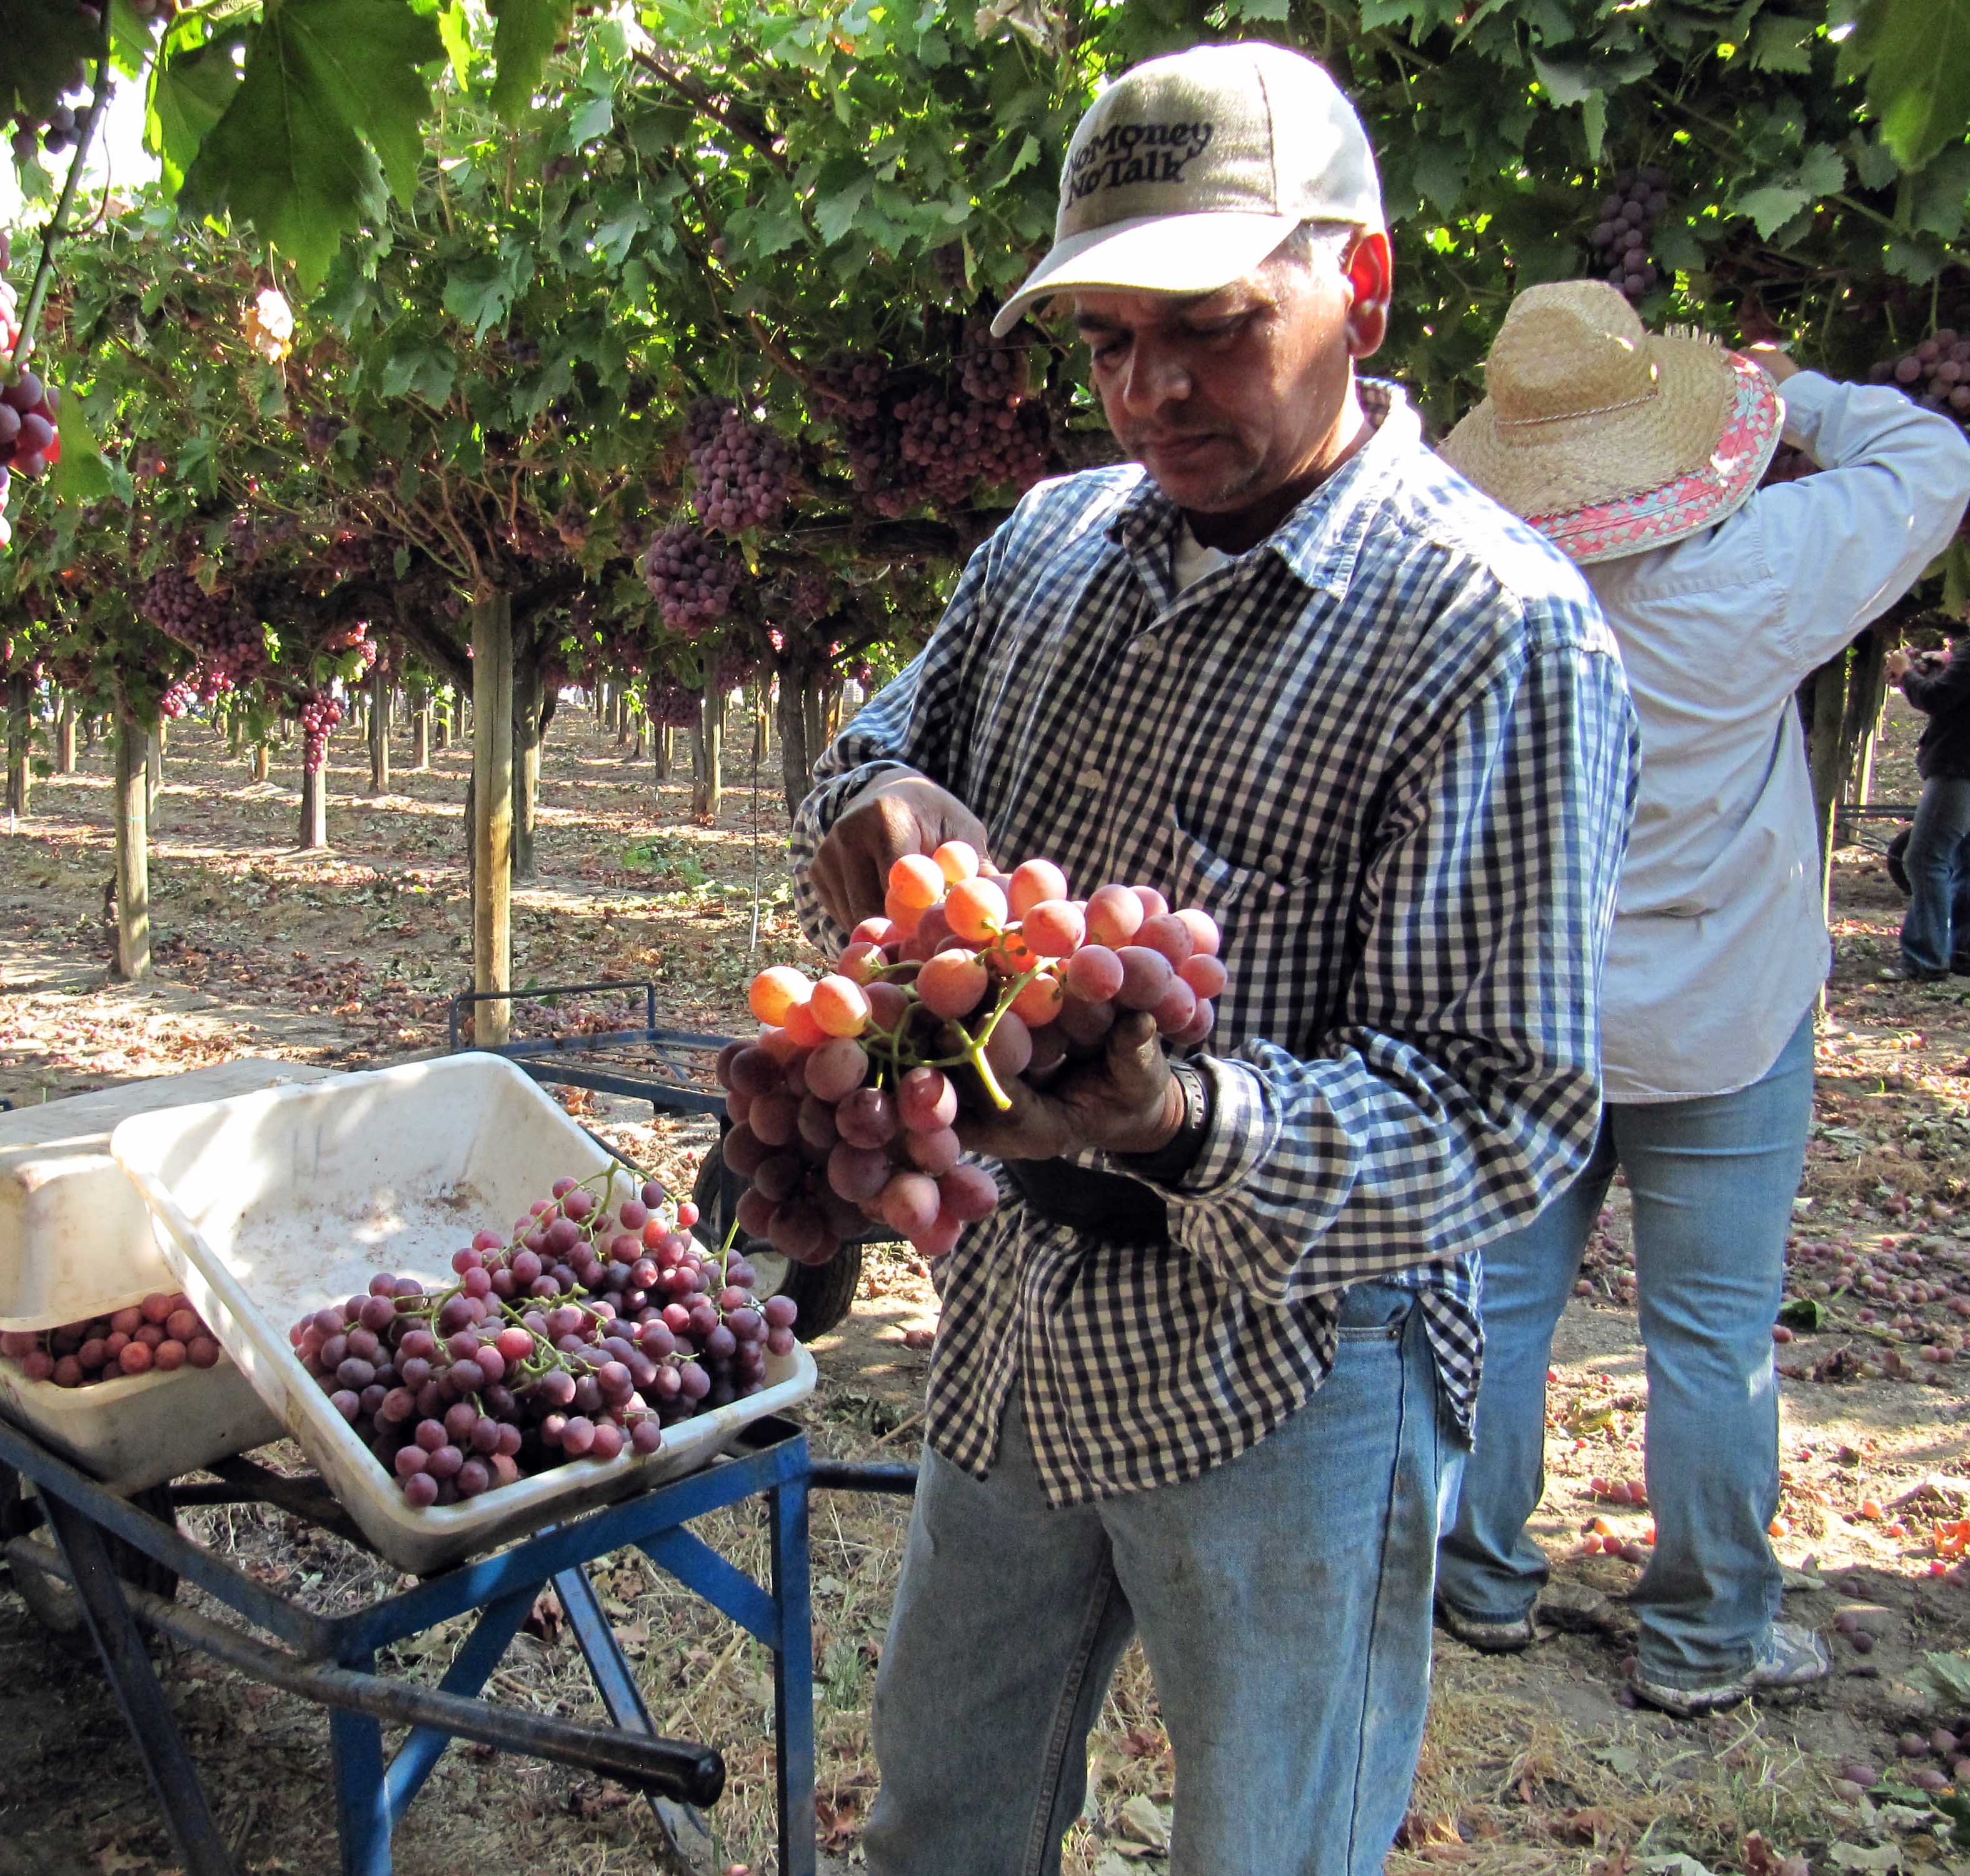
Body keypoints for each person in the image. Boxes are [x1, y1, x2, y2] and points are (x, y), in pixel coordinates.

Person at [789, 42, 1639, 1876]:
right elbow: (868, 749)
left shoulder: (1493, 634)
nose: (1150, 390)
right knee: (941, 1805)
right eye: (1105, 340)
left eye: (1211, 324)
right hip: (1014, 1319)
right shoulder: (1044, 545)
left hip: (1289, 1368)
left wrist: (1176, 1122)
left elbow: (1500, 1118)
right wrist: (873, 808)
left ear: (1366, 283)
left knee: (1266, 1844)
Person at [1432, 286, 1970, 1715]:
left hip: (1527, 1017)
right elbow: (1930, 464)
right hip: (1725, 1017)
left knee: (1494, 1308)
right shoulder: (1758, 573)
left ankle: (1475, 1583)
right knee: (1712, 1337)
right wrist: (1794, 397)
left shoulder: (1478, 598)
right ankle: (1703, 1634)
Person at [1890, 624, 1970, 980]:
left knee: (1924, 858)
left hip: (1959, 765)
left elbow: (1939, 699)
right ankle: (1961, 949)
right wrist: (1943, 664)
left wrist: (1906, 676)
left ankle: (1926, 958)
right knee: (1964, 859)